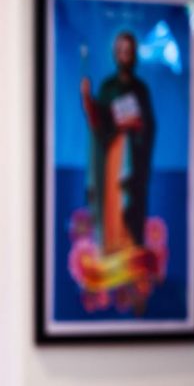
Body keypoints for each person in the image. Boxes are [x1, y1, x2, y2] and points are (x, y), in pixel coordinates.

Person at [80, 30, 156, 254]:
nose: (124, 55)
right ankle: (111, 247)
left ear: (134, 55)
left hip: (133, 155)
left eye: (128, 51)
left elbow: (149, 126)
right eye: (120, 51)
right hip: (113, 156)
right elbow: (99, 123)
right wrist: (87, 100)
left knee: (130, 202)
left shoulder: (140, 90)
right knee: (113, 202)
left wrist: (137, 125)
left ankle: (130, 248)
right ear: (115, 54)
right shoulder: (107, 87)